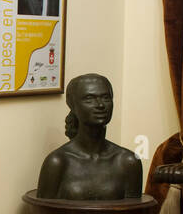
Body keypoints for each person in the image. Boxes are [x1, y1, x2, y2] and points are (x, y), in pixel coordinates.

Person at [36, 73, 142, 201]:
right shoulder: (58, 162)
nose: (100, 105)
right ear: (73, 105)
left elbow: (134, 210)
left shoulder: (128, 161)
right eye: (89, 99)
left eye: (106, 98)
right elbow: (43, 212)